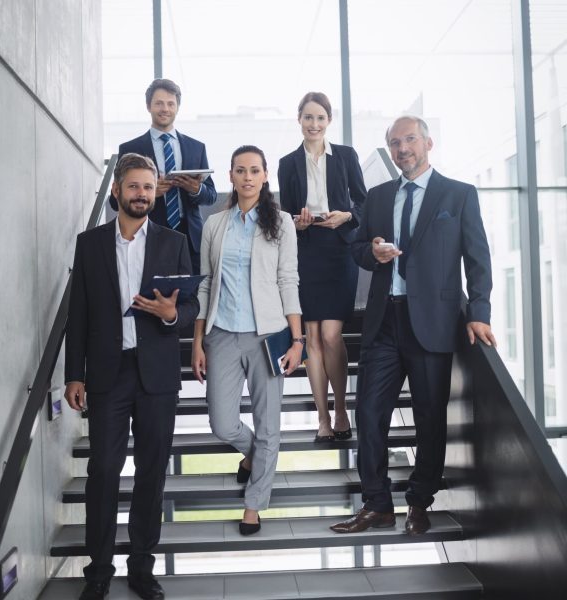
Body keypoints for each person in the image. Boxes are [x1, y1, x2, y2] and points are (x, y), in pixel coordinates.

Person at [330, 116, 496, 537]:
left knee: (429, 419)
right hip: (384, 321)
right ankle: (377, 504)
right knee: (368, 414)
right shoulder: (380, 196)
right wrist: (372, 251)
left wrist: (479, 311)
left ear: (428, 143)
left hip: (434, 323)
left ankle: (420, 501)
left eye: (409, 140)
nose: (402, 149)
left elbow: (478, 259)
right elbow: (358, 250)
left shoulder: (458, 195)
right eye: (394, 143)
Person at [65, 153, 199, 600]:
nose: (141, 194)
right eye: (134, 186)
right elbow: (78, 313)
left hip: (157, 374)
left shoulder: (173, 242)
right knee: (103, 470)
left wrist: (170, 314)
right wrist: (73, 374)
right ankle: (98, 570)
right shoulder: (90, 244)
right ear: (118, 190)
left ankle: (142, 566)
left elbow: (191, 306)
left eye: (148, 187)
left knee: (152, 471)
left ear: (155, 191)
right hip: (108, 372)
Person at [192, 145, 303, 535]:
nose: (248, 177)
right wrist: (197, 340)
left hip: (268, 336)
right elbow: (205, 285)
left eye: (255, 170)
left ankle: (254, 505)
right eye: (241, 170)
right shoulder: (214, 225)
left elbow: (288, 280)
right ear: (231, 176)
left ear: (265, 175)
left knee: (268, 424)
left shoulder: (282, 223)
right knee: (222, 423)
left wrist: (297, 339)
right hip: (221, 334)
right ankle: (254, 455)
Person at [278, 92, 368, 442]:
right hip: (306, 251)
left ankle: (342, 409)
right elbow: (286, 213)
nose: (314, 124)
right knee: (312, 338)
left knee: (332, 335)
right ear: (298, 120)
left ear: (328, 121)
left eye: (320, 118)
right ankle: (322, 418)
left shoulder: (346, 156)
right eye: (308, 118)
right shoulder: (287, 163)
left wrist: (346, 216)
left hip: (339, 250)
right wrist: (297, 223)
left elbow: (363, 201)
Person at [109, 78, 217, 273]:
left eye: (170, 104)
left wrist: (196, 189)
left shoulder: (196, 148)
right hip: (148, 234)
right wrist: (149, 192)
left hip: (190, 238)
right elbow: (115, 201)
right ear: (148, 106)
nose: (165, 109)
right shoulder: (130, 148)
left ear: (177, 107)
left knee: (190, 298)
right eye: (158, 103)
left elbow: (211, 195)